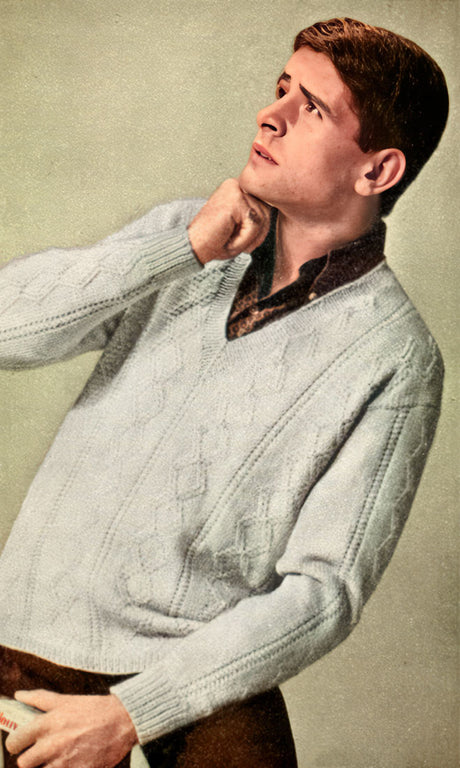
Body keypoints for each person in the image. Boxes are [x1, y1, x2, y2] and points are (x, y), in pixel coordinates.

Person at [0, 16, 449, 768]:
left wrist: (132, 714)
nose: (269, 115)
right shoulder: (184, 239)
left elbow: (324, 591)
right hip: (22, 644)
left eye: (311, 107)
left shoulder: (396, 355)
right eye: (280, 88)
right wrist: (181, 250)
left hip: (196, 681)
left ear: (377, 171)